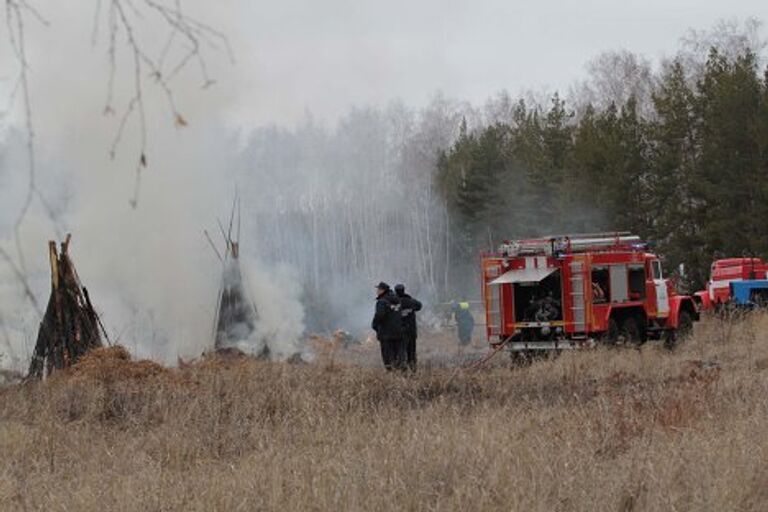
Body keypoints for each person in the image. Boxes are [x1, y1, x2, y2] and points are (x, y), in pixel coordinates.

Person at [371, 282, 404, 370]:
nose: (377, 291)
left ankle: (391, 374)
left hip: (386, 334)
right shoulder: (397, 300)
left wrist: (374, 325)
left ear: (382, 290)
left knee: (387, 356)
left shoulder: (382, 302)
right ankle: (399, 373)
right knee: (398, 355)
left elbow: (380, 315)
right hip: (398, 333)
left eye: (378, 289)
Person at [395, 284, 422, 371]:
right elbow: (419, 306)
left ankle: (403, 368)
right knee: (412, 351)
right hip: (412, 331)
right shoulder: (411, 301)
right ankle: (413, 368)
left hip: (401, 332)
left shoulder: (395, 302)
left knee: (401, 351)